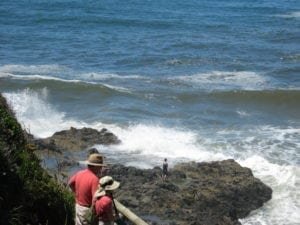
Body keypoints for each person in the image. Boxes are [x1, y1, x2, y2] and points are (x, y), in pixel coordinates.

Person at [68, 153, 106, 225]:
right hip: (87, 210)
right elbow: (95, 199)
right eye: (100, 166)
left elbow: (70, 183)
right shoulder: (94, 179)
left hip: (78, 206)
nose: (101, 168)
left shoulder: (79, 173)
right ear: (95, 166)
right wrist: (97, 214)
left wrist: (76, 193)